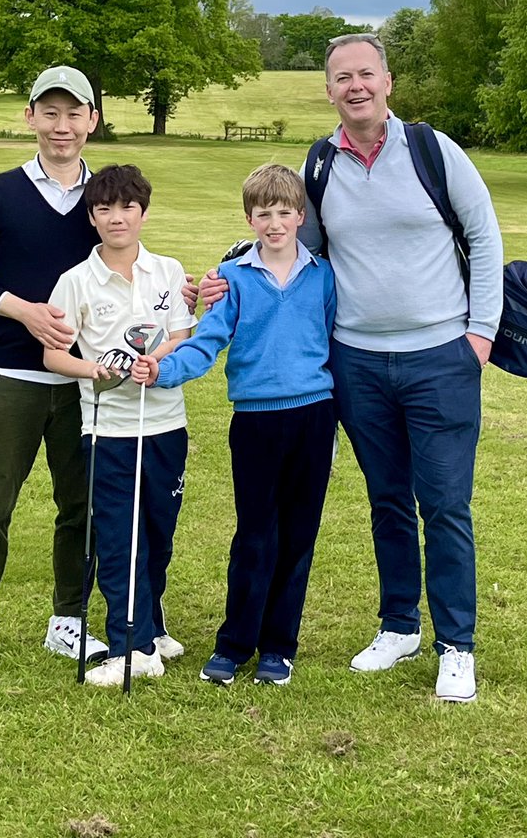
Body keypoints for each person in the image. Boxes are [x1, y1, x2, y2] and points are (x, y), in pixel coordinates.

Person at [202, 34, 503, 703]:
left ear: (388, 81)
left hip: (440, 357)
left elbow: (484, 237)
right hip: (357, 362)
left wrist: (479, 335)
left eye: (366, 73)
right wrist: (228, 274)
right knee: (387, 500)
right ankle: (400, 626)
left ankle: (457, 644)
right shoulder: (321, 163)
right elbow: (292, 246)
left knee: (445, 504)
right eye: (343, 77)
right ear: (330, 89)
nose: (356, 85)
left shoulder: (433, 150)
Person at [133, 164, 336, 688]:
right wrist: (162, 368)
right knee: (254, 535)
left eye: (284, 212)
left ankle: (278, 648)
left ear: (300, 216)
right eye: (263, 213)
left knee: (298, 535)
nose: (274, 223)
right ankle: (234, 644)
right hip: (255, 422)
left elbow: (341, 339)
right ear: (249, 218)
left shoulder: (324, 276)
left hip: (314, 417)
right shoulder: (234, 281)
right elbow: (206, 343)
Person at [0, 65, 109, 672]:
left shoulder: (105, 197)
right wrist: (24, 313)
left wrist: (188, 290)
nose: (61, 126)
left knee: (81, 507)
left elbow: (129, 268)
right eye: (50, 113)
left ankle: (68, 622)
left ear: (92, 120)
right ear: (30, 117)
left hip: (81, 380)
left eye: (74, 114)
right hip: (8, 376)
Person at [44, 164, 195, 687]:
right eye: (105, 208)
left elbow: (181, 336)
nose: (117, 217)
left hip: (166, 424)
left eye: (127, 207)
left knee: (158, 530)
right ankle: (131, 647)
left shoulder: (169, 272)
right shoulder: (76, 281)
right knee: (118, 537)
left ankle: (151, 627)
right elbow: (53, 355)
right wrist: (96, 369)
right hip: (108, 428)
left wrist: (159, 361)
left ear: (143, 213)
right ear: (91, 216)